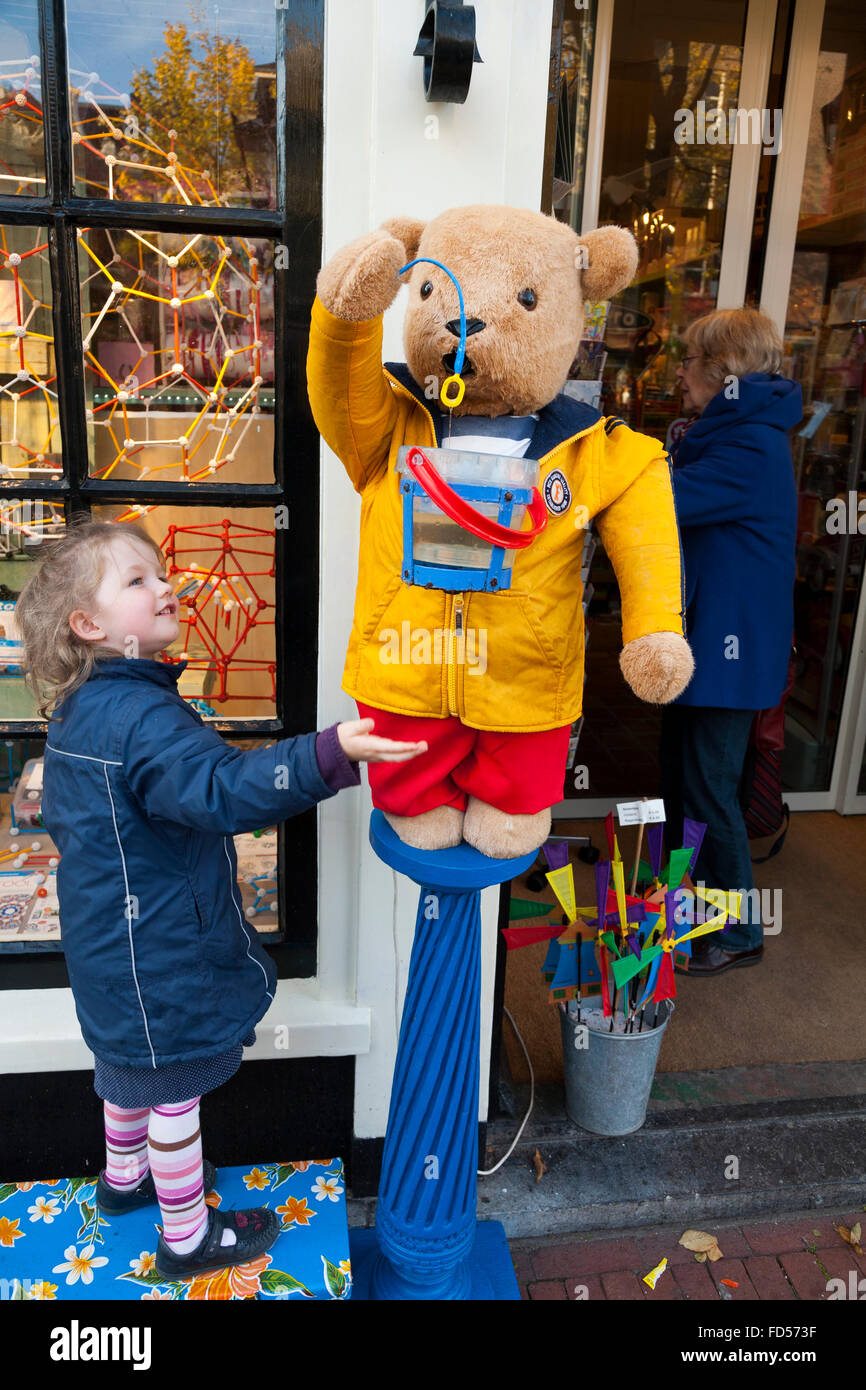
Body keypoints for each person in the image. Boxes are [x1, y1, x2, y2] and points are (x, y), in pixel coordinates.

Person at [14, 517, 427, 1279]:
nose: (164, 585)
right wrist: (330, 751)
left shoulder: (79, 708)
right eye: (137, 580)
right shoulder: (140, 715)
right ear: (89, 625)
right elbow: (222, 790)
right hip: (158, 954)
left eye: (159, 571)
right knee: (172, 1095)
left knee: (127, 1072)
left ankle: (123, 1182)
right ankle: (186, 1238)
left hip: (108, 947)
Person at [662, 307, 800, 977]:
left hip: (730, 655)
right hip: (719, 648)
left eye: (690, 362)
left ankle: (739, 930)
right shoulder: (739, 432)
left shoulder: (746, 444)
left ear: (723, 374)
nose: (681, 373)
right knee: (693, 781)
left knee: (709, 789)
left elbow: (664, 499)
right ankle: (691, 913)